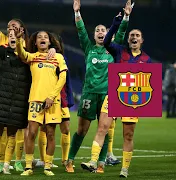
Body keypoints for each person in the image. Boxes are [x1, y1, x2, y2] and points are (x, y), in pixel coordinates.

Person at [0, 0, 56, 171]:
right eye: (8, 26)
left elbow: (41, 55)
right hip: (4, 89)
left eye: (14, 25)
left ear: (22, 29)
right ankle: (5, 163)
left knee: (23, 130)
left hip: (24, 92)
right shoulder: (3, 41)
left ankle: (17, 161)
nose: (10, 28)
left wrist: (53, 50)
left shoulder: (30, 45)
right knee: (3, 129)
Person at [65, 0, 126, 174]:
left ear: (108, 35)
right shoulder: (88, 47)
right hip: (89, 94)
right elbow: (81, 31)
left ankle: (100, 164)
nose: (100, 32)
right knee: (82, 130)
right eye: (97, 30)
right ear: (94, 36)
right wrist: (77, 13)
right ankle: (69, 160)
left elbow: (121, 32)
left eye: (103, 30)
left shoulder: (113, 50)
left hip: (107, 95)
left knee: (104, 129)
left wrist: (126, 17)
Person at [103, 2, 151, 177]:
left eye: (137, 35)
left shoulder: (146, 59)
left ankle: (124, 168)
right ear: (128, 38)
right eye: (132, 35)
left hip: (132, 99)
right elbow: (107, 41)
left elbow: (148, 83)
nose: (134, 37)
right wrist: (120, 21)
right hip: (116, 95)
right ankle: (97, 159)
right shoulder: (119, 51)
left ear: (141, 40)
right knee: (104, 127)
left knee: (128, 135)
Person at [15, 29, 67, 176]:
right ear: (36, 42)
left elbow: (63, 77)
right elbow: (21, 54)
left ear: (49, 42)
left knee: (50, 134)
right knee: (31, 133)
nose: (42, 38)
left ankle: (47, 167)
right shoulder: (32, 57)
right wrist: (19, 40)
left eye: (45, 37)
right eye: (39, 37)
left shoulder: (57, 57)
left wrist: (52, 96)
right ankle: (28, 167)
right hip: (35, 99)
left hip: (52, 100)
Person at [0, 21, 31, 174]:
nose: (12, 37)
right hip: (0, 99)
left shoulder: (27, 56)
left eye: (15, 35)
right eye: (9, 35)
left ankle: (6, 164)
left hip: (17, 101)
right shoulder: (2, 52)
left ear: (21, 37)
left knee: (12, 134)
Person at [36, 34, 74, 168]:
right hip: (48, 96)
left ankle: (65, 160)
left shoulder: (61, 57)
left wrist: (68, 98)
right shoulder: (48, 56)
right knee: (45, 128)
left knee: (66, 128)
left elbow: (65, 80)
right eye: (53, 42)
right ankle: (42, 159)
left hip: (62, 96)